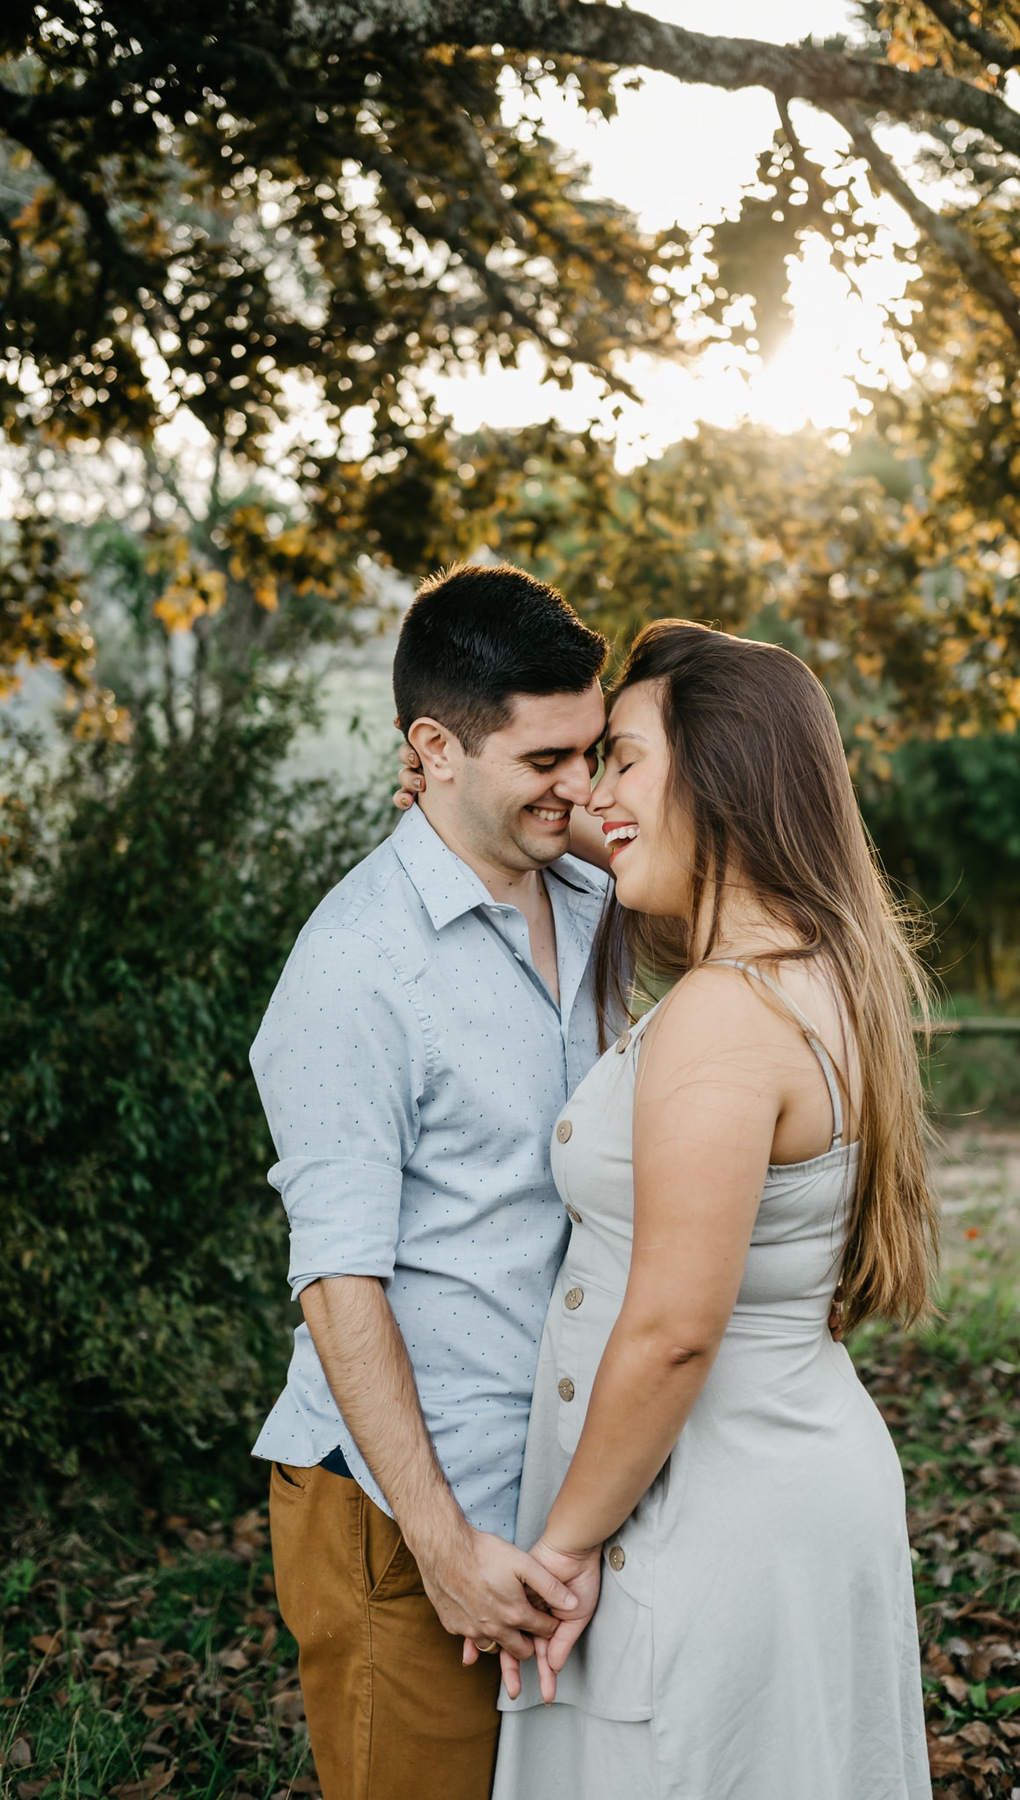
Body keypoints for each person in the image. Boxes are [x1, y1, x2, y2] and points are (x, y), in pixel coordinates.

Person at [490, 620, 937, 1800]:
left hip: (701, 1522)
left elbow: (673, 1327)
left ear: (722, 779)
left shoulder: (723, 1018)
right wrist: (485, 792)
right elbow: (629, 829)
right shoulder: (823, 972)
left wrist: (566, 1547)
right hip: (796, 1484)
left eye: (620, 759)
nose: (592, 794)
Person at [248, 562, 615, 1800]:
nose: (580, 787)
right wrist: (443, 1544)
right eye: (545, 760)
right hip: (401, 1518)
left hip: (565, 1508)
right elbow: (338, 1284)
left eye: (594, 751)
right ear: (433, 749)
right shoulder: (354, 970)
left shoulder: (604, 902)